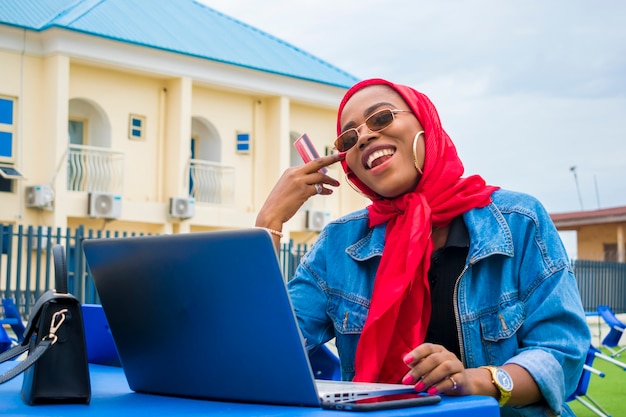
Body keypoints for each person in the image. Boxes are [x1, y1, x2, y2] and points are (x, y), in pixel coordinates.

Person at [255, 78, 590, 416]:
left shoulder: (519, 221)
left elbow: (561, 355)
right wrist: (270, 221)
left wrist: (476, 381)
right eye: (349, 137)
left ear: (425, 123)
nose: (366, 136)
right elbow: (266, 350)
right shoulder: (338, 244)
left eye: (381, 118)